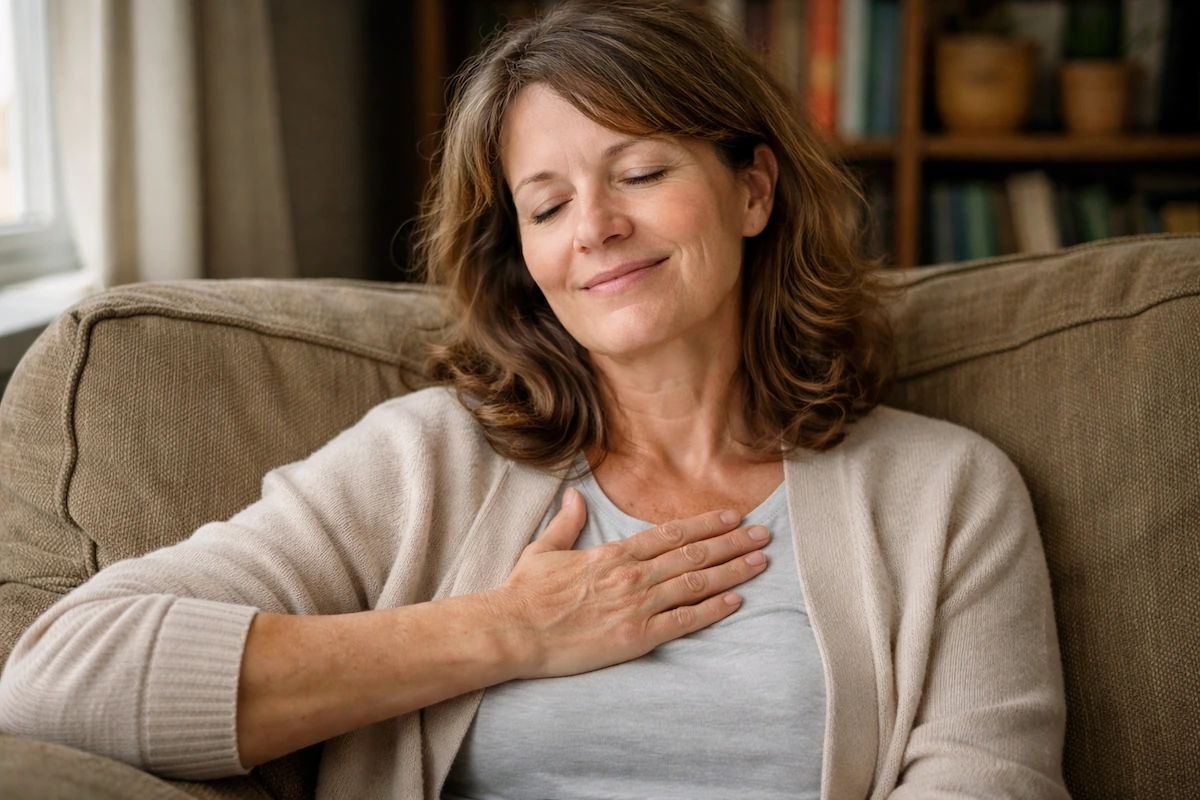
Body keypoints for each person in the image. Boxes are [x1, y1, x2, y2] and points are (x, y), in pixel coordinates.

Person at [0, 1, 1068, 798]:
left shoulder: (944, 493)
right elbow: (56, 678)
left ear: (753, 188)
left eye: (642, 172)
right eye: (547, 203)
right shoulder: (426, 463)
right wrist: (505, 628)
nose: (594, 225)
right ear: (523, 253)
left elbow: (992, 777)